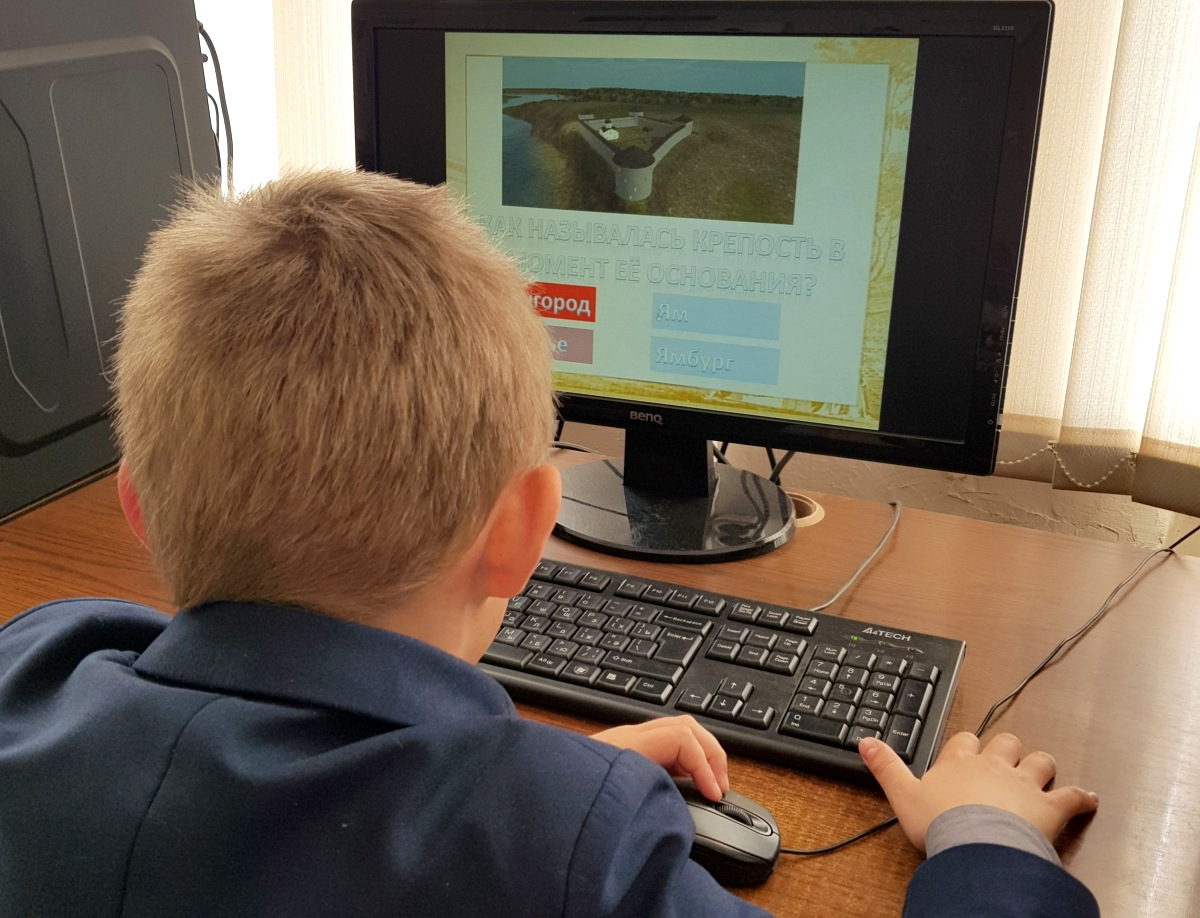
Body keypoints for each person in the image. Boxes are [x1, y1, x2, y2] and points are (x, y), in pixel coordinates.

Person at [0, 169, 1099, 917]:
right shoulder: (579, 858)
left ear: (136, 506)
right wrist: (985, 837)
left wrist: (518, 779)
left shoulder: (38, 666)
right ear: (526, 530)